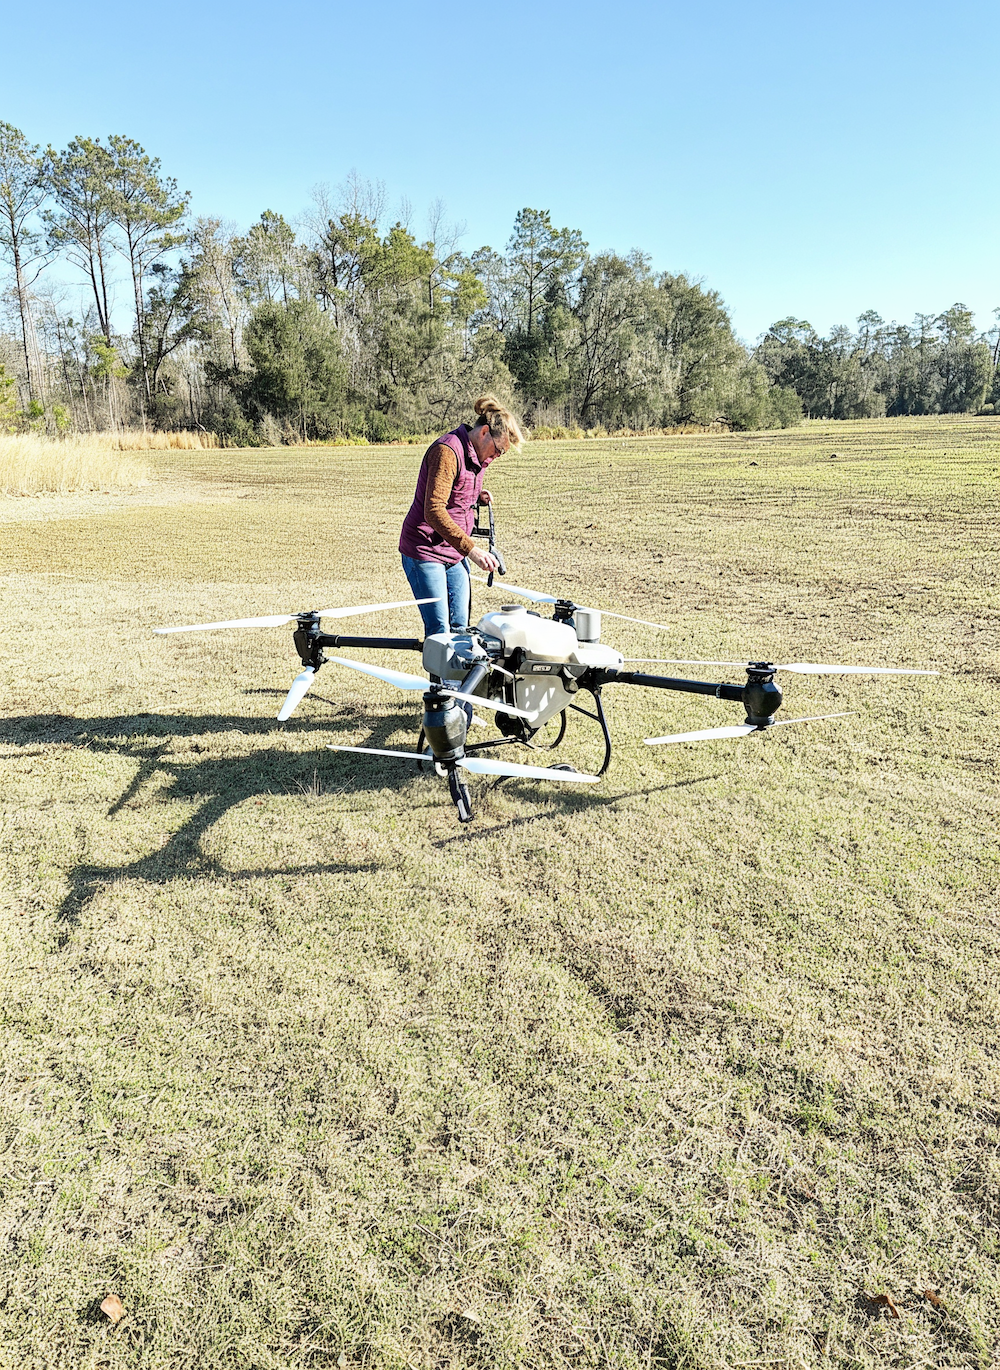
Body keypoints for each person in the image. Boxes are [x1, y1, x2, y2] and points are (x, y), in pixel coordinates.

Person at [399, 394, 526, 637]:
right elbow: (434, 510)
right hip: (425, 550)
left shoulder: (478, 457)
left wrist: (476, 496)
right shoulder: (446, 452)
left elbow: (455, 489)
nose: (495, 458)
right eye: (498, 450)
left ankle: (456, 677)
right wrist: (473, 550)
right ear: (484, 432)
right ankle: (440, 677)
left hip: (453, 552)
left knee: (461, 630)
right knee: (440, 631)